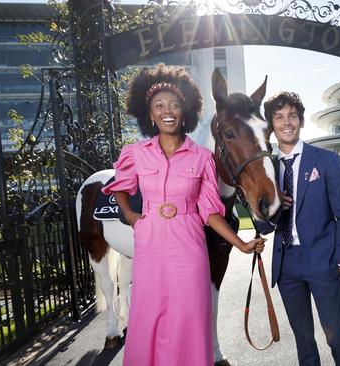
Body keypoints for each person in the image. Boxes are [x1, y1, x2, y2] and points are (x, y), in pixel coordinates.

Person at [102, 64, 265, 365]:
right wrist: (133, 217)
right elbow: (120, 187)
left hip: (189, 250)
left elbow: (209, 211)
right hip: (150, 249)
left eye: (175, 105)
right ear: (149, 114)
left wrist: (240, 243)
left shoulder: (202, 158)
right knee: (148, 319)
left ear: (184, 113)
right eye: (159, 105)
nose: (168, 111)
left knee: (189, 321)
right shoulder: (135, 153)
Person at [264, 92, 340, 366]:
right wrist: (274, 207)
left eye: (292, 116)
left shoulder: (325, 160)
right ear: (272, 125)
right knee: (303, 340)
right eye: (279, 117)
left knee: (336, 336)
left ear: (301, 121)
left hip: (322, 261)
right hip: (286, 266)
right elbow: (262, 225)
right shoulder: (266, 168)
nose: (286, 122)